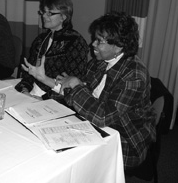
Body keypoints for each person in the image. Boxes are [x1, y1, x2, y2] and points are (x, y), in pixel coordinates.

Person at [58, 11, 156, 170]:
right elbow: (83, 95)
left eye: (99, 41)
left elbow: (102, 116)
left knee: (69, 160)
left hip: (126, 139)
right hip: (95, 126)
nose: (93, 45)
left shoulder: (134, 76)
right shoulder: (100, 62)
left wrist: (76, 85)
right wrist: (70, 86)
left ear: (118, 46)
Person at [15, 0, 89, 103]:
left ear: (63, 17)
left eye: (49, 13)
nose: (44, 16)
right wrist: (24, 90)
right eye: (43, 12)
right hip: (31, 93)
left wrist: (44, 99)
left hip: (55, 100)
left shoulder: (76, 42)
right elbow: (29, 73)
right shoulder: (41, 40)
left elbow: (74, 86)